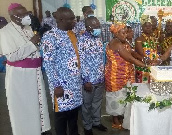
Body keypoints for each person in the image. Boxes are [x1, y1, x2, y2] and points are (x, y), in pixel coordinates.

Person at [0, 3, 51, 135]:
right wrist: (33, 42)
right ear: (12, 16)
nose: (26, 17)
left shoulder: (28, 28)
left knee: (38, 103)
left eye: (26, 14)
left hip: (35, 73)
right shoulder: (5, 32)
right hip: (20, 76)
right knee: (24, 108)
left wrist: (39, 39)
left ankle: (41, 129)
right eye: (21, 15)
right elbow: (12, 56)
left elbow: (36, 48)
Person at [41, 7, 82, 135]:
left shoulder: (72, 33)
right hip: (62, 86)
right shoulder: (50, 37)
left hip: (75, 83)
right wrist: (56, 85)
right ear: (61, 20)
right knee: (61, 117)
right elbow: (48, 63)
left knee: (74, 115)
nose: (74, 21)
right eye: (71, 19)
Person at [105, 22, 149, 129]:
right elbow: (129, 58)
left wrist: (143, 58)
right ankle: (115, 120)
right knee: (116, 98)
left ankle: (121, 116)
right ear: (116, 34)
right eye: (123, 33)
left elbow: (132, 53)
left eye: (126, 33)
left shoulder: (124, 42)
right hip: (115, 76)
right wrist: (146, 66)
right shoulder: (116, 44)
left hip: (126, 75)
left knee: (124, 97)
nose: (126, 35)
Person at [78, 16, 107, 135]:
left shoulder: (98, 38)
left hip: (100, 77)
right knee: (87, 105)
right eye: (95, 27)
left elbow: (101, 58)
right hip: (89, 80)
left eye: (98, 26)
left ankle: (96, 122)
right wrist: (85, 80)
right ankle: (87, 126)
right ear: (88, 27)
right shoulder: (82, 41)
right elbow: (81, 61)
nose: (98, 28)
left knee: (97, 102)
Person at [135, 15, 159, 83]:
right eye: (146, 26)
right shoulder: (139, 39)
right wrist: (149, 61)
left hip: (153, 67)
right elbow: (141, 53)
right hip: (143, 68)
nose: (148, 28)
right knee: (143, 89)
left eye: (150, 26)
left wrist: (157, 60)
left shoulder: (154, 39)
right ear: (142, 27)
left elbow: (157, 52)